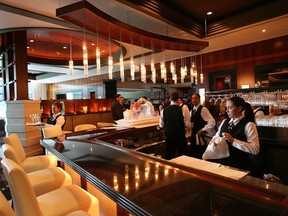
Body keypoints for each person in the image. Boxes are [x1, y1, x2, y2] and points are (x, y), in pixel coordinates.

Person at [212, 96, 260, 174]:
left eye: (230, 108)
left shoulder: (249, 125)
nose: (227, 111)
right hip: (222, 164)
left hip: (240, 167)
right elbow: (215, 137)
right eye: (226, 108)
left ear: (239, 108)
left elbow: (255, 149)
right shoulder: (224, 122)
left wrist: (234, 141)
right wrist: (215, 142)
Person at [159, 92, 191, 160]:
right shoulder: (183, 109)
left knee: (170, 157)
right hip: (180, 136)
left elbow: (161, 125)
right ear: (178, 99)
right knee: (183, 157)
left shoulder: (164, 110)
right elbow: (188, 124)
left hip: (169, 137)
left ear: (170, 99)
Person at [190, 94, 216, 159]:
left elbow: (212, 122)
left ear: (199, 99)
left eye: (196, 98)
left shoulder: (203, 109)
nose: (194, 100)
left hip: (200, 136)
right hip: (194, 134)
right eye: (192, 98)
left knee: (200, 153)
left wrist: (203, 129)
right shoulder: (192, 109)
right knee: (194, 153)